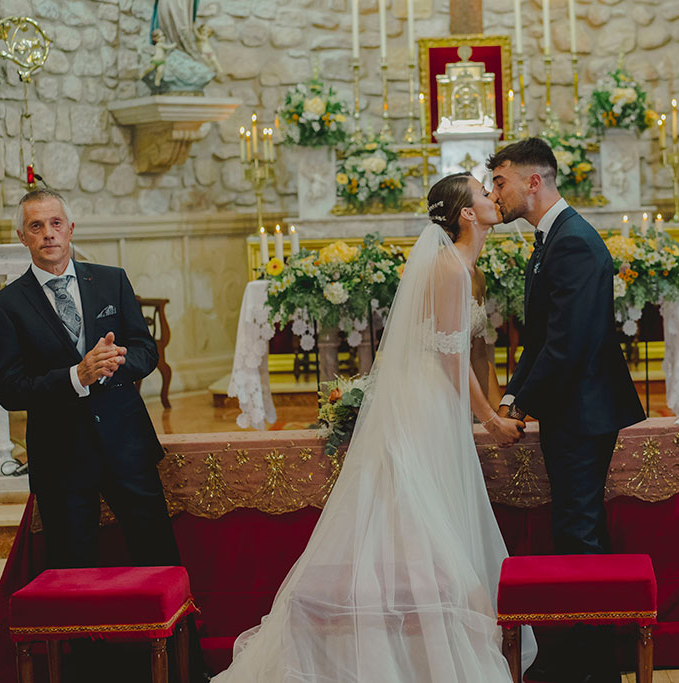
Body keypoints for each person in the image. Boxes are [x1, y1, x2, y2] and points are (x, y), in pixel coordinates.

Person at [212, 173, 535, 682]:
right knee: (419, 515)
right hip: (427, 398)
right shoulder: (451, 269)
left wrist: (499, 403)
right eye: (483, 191)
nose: (494, 196)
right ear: (466, 214)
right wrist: (491, 419)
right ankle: (407, 653)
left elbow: (468, 352)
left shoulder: (463, 265)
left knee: (430, 513)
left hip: (436, 392)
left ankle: (419, 643)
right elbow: (452, 358)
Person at [0, 188, 203, 679]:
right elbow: (9, 390)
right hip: (63, 461)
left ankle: (187, 669)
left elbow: (146, 349)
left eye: (56, 223)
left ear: (71, 228)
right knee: (74, 576)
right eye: (37, 227)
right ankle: (87, 674)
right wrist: (74, 377)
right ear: (22, 237)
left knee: (159, 560)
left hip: (127, 447)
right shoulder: (4, 306)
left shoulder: (111, 281)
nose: (48, 234)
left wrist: (116, 366)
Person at [487, 138, 645, 683]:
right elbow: (542, 338)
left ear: (535, 181)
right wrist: (511, 397)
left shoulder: (573, 241)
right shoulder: (551, 238)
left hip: (583, 411)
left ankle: (594, 666)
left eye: (501, 180)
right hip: (571, 407)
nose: (494, 192)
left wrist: (522, 407)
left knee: (580, 534)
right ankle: (579, 655)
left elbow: (569, 344)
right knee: (574, 530)